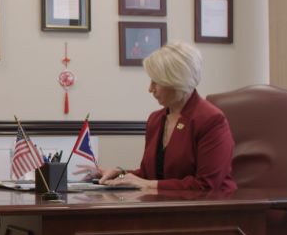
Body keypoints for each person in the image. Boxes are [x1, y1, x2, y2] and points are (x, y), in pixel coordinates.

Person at [94, 41, 237, 192]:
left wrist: (148, 184)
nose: (150, 89)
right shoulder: (156, 119)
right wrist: (120, 174)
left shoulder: (211, 120)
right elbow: (149, 175)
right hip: (165, 208)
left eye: (156, 82)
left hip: (210, 211)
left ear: (177, 81)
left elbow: (206, 186)